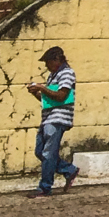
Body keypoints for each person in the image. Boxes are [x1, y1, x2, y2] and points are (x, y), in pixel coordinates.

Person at [26, 47, 78, 196]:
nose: (46, 66)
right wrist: (37, 92)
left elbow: (61, 96)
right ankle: (69, 170)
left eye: (48, 62)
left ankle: (45, 187)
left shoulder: (67, 73)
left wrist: (41, 87)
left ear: (56, 60)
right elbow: (49, 100)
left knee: (48, 153)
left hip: (58, 118)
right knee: (40, 151)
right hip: (48, 118)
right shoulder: (53, 76)